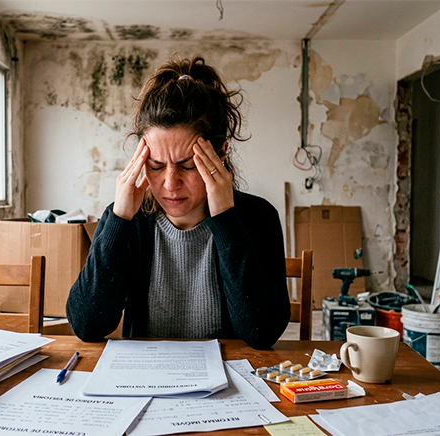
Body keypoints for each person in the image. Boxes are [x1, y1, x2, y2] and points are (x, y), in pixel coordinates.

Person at [66, 55, 290, 349]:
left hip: (228, 381)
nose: (170, 184)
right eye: (156, 166)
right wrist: (119, 219)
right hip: (144, 381)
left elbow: (263, 332)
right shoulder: (127, 219)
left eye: (187, 166)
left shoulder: (257, 217)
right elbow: (87, 325)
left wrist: (225, 219)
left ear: (220, 153)